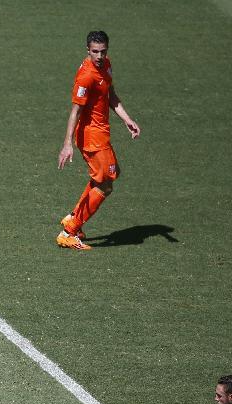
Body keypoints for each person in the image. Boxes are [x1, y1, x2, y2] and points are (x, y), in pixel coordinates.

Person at [56, 30, 141, 250]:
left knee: (109, 176)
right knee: (106, 184)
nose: (100, 56)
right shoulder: (86, 76)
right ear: (88, 50)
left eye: (103, 51)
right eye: (95, 52)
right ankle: (69, 231)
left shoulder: (105, 65)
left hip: (101, 133)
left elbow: (110, 94)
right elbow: (75, 111)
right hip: (92, 137)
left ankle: (73, 217)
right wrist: (67, 145)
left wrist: (127, 119)